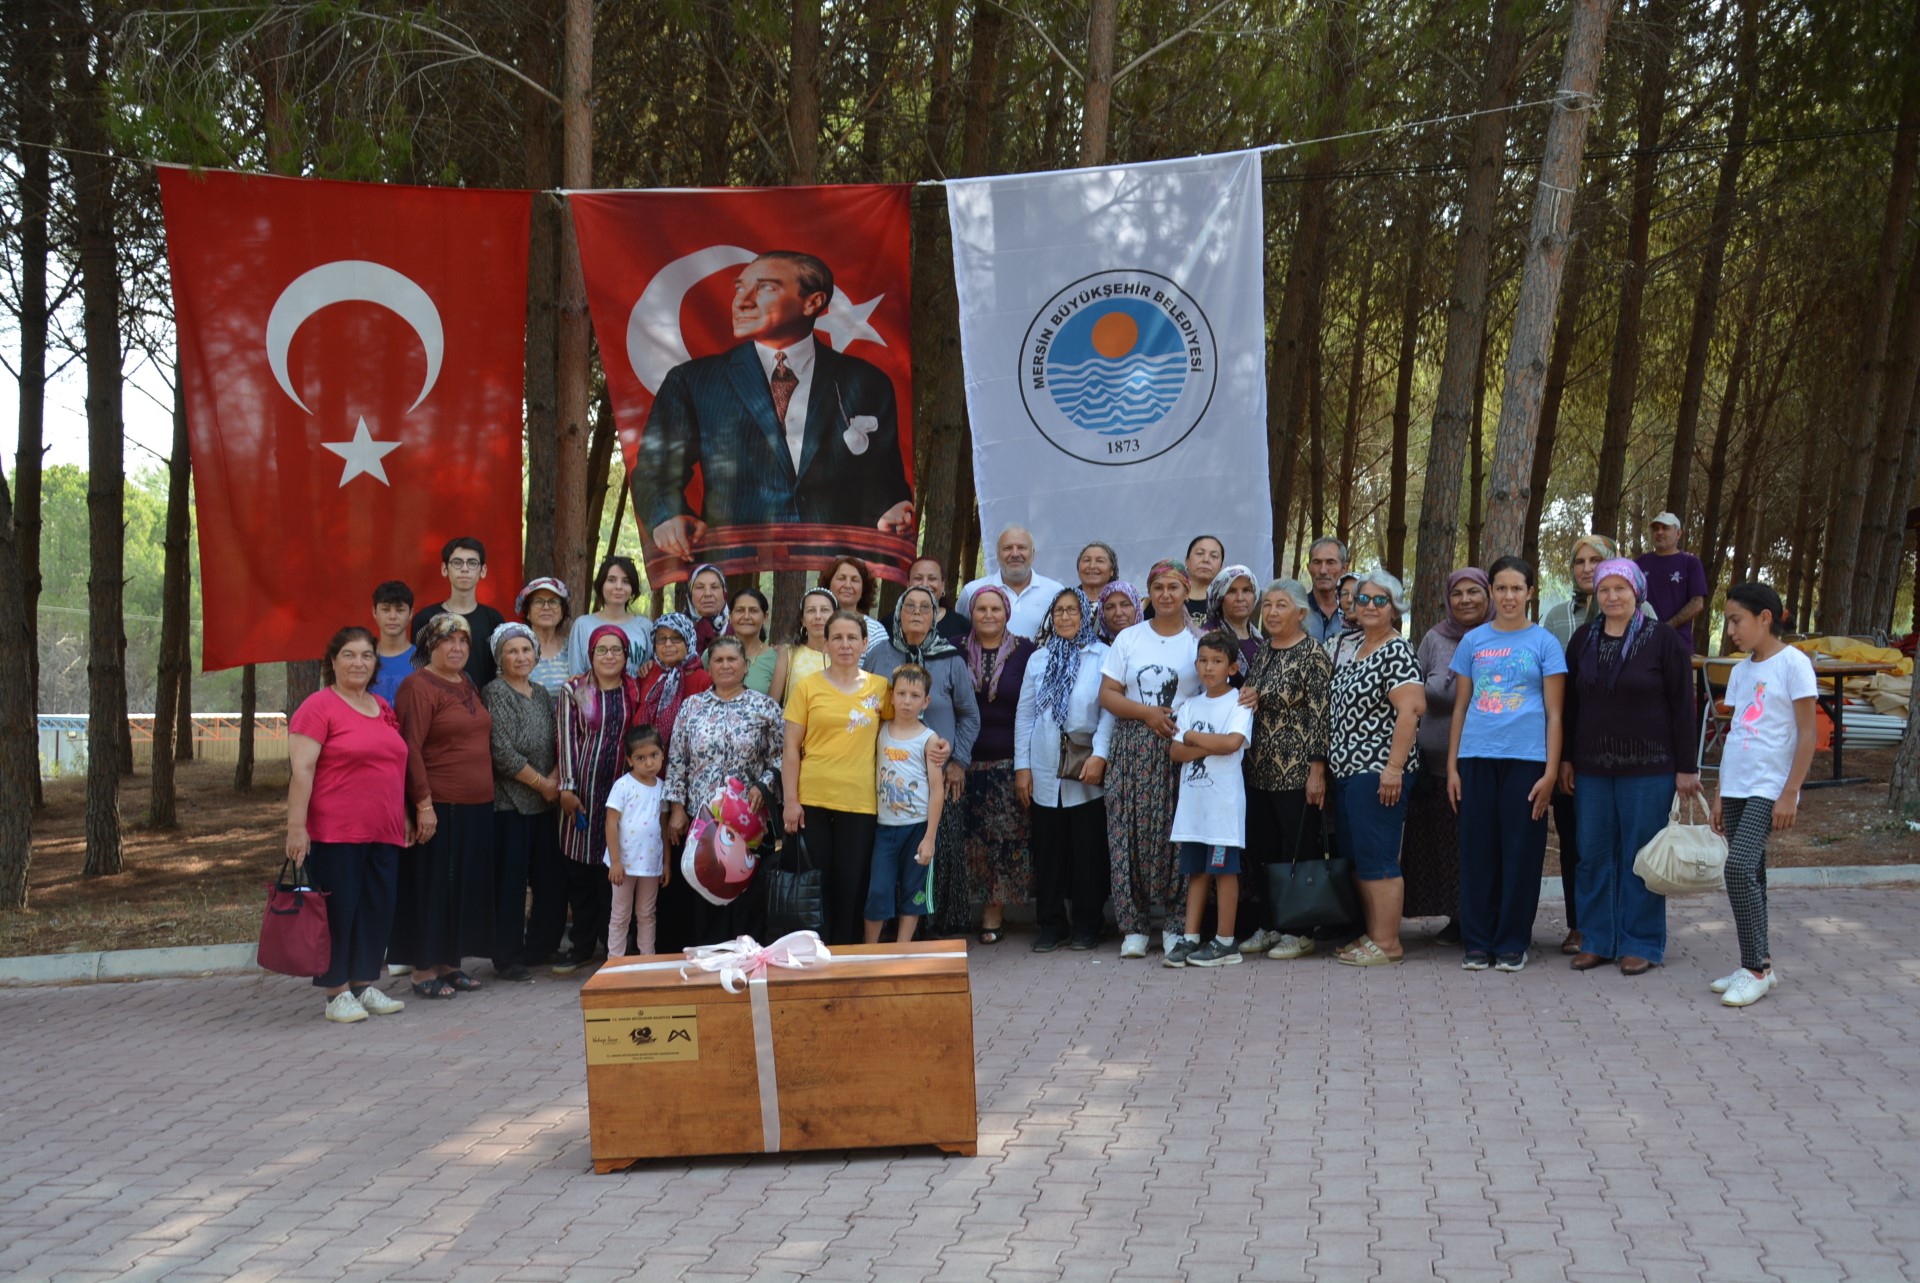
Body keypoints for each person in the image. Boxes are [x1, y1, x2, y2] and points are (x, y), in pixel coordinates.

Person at [636, 250, 914, 561]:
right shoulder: (693, 382)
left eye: (766, 287)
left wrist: (892, 510)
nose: (742, 301)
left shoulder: (867, 382)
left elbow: (886, 487)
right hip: (736, 575)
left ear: (813, 302)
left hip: (832, 575)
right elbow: (654, 473)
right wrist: (666, 517)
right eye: (740, 287)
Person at [1562, 559, 1702, 976]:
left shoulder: (1662, 640)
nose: (1612, 597)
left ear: (1637, 592)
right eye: (1605, 590)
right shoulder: (1583, 639)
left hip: (1650, 769)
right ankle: (1597, 938)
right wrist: (1568, 757)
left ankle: (1640, 941)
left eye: (1621, 588)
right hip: (1592, 769)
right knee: (1592, 855)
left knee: (1640, 856)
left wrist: (1686, 767)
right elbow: (1571, 705)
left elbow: (1683, 706)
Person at [1446, 557, 1565, 973]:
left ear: (1530, 592)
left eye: (1517, 588)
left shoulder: (1545, 643)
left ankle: (1513, 941)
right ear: (1491, 592)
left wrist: (1550, 772)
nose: (1509, 596)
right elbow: (1460, 708)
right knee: (1477, 852)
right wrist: (1452, 768)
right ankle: (1477, 943)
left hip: (1527, 762)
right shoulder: (1473, 642)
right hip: (1476, 759)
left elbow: (1554, 713)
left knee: (1520, 853)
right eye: (1501, 589)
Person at [285, 626, 409, 1023]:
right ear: (333, 661)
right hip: (336, 832)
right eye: (350, 655)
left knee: (377, 908)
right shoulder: (318, 707)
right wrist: (295, 827)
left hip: (384, 830)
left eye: (367, 656)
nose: (359, 663)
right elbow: (302, 770)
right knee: (340, 911)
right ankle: (335, 992)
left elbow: (394, 765)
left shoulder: (380, 707)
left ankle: (363, 982)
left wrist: (404, 813)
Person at [1710, 582, 1817, 1008]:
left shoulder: (1794, 664)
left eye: (1737, 620)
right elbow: (1736, 735)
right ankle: (1760, 966)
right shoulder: (1740, 672)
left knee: (1736, 869)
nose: (1731, 630)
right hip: (1737, 782)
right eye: (1728, 621)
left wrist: (1791, 791)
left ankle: (1753, 968)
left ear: (1765, 618)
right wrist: (1720, 792)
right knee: (1752, 873)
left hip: (1770, 787)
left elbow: (1807, 735)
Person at [1540, 533, 1644, 954]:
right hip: (1571, 742)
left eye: (1595, 559)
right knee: (1577, 840)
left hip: (1629, 749)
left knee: (1623, 839)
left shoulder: (1643, 614)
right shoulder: (1556, 618)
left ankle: (1624, 925)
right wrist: (1561, 755)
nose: (1586, 568)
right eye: (1579, 561)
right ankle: (1580, 924)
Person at [865, 586, 981, 939]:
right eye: (909, 606)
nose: (917, 613)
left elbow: (969, 715)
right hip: (889, 779)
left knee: (931, 857)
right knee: (885, 865)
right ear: (898, 613)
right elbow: (865, 708)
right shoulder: (879, 655)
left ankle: (930, 932)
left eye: (925, 608)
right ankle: (884, 936)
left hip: (938, 777)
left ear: (935, 616)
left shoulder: (951, 658)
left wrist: (958, 760)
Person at [390, 613, 496, 999]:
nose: (456, 648)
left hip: (475, 805)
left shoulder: (466, 682)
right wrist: (423, 804)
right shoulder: (417, 686)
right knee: (433, 887)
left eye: (463, 641)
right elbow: (410, 748)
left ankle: (450, 964)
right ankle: (422, 970)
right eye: (447, 641)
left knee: (461, 888)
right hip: (441, 805)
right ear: (429, 647)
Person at [1099, 560, 1201, 959]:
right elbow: (1108, 694)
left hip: (1180, 748)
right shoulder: (1129, 638)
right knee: (1128, 834)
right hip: (1133, 746)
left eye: (1174, 587)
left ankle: (1176, 924)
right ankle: (1134, 926)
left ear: (1186, 591)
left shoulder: (1198, 641)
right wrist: (1147, 713)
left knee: (1176, 833)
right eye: (1158, 587)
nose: (1165, 595)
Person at [783, 611, 900, 945]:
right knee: (815, 884)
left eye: (852, 638)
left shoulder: (881, 689)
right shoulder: (807, 688)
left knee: (852, 884)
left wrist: (935, 746)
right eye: (837, 638)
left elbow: (902, 729)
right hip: (812, 800)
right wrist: (791, 801)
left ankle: (845, 956)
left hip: (860, 802)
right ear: (826, 642)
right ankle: (811, 953)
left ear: (865, 643)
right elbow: (791, 747)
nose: (845, 645)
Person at [1327, 569, 1423, 966]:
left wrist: (1394, 768)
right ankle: (1372, 935)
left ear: (1394, 607)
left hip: (1378, 770)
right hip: (1348, 772)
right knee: (1359, 855)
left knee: (1379, 856)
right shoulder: (1352, 648)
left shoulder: (1396, 650)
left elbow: (1411, 710)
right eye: (1362, 598)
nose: (1369, 606)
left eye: (1379, 600)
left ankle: (1388, 943)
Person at [664, 635, 786, 944]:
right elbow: (677, 760)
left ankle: (745, 955)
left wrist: (765, 785)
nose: (726, 665)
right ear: (709, 666)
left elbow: (782, 758)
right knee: (704, 892)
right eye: (718, 660)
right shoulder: (692, 707)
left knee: (745, 894)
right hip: (702, 818)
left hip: (748, 819)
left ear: (745, 666)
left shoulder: (765, 708)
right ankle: (708, 956)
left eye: (733, 659)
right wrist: (677, 809)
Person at [1015, 587, 1116, 952]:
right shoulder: (1039, 659)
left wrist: (1100, 755)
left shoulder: (1102, 655)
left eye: (1073, 610)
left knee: (1087, 851)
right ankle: (1051, 924)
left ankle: (1088, 923)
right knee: (1050, 851)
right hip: (1043, 768)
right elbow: (1025, 715)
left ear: (1084, 616)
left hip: (1085, 766)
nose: (1065, 617)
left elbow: (1108, 712)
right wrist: (1022, 767)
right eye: (1059, 611)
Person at [1240, 579, 1332, 961]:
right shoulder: (1263, 652)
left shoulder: (1313, 653)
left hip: (1296, 771)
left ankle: (1300, 929)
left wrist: (1317, 771)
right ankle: (1270, 923)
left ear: (1300, 613)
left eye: (1281, 605)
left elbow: (1320, 715)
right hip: (1258, 770)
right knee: (1263, 849)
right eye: (1268, 606)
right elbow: (1252, 696)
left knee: (1297, 848)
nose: (1272, 613)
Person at [1405, 568, 1490, 946]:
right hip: (1434, 765)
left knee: (1475, 845)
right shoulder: (1434, 639)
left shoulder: (1500, 636)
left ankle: (1476, 917)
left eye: (1474, 592)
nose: (1466, 600)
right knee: (1440, 846)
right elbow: (1411, 688)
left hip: (1484, 762)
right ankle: (1453, 917)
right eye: (1458, 593)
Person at [1162, 630, 1255, 969]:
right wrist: (1202, 743)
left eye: (1217, 661)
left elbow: (1232, 744)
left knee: (1224, 871)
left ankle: (1226, 942)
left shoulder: (1239, 703)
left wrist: (1190, 737)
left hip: (1222, 809)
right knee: (1196, 872)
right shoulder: (1189, 705)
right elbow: (1175, 751)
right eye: (1203, 660)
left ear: (1232, 667)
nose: (1208, 667)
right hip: (1194, 810)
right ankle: (1190, 937)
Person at [554, 624, 644, 974]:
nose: (609, 656)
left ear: (625, 655)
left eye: (616, 650)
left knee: (612, 869)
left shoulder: (632, 689)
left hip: (621, 795)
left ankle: (614, 945)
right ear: (590, 654)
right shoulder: (575, 690)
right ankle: (581, 945)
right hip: (581, 793)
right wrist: (568, 787)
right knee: (580, 871)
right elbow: (565, 740)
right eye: (601, 650)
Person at [481, 623, 561, 982]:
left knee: (549, 879)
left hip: (547, 802)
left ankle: (540, 947)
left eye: (526, 650)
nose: (520, 657)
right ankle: (508, 956)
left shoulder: (543, 693)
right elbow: (501, 750)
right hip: (511, 803)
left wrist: (556, 778)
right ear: (500, 657)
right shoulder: (495, 692)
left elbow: (560, 739)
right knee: (511, 884)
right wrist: (541, 783)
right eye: (512, 651)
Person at [960, 585, 1035, 944]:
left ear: (1007, 613)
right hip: (963, 764)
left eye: (996, 609)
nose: (988, 615)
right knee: (968, 841)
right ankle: (961, 908)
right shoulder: (956, 650)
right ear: (971, 614)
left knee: (1006, 842)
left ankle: (993, 915)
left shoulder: (1026, 652)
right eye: (981, 609)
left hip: (1009, 762)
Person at [866, 666, 946, 945]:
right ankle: (869, 953)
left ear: (926, 702)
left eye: (915, 695)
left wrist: (930, 838)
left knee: (914, 894)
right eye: (901, 693)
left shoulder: (930, 739)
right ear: (891, 696)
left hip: (917, 828)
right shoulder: (879, 731)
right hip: (884, 828)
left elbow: (937, 790)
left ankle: (902, 952)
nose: (907, 701)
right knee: (878, 891)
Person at [605, 725, 669, 957]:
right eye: (641, 758)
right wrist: (615, 861)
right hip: (624, 863)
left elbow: (663, 827)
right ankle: (615, 963)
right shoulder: (623, 786)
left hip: (651, 865)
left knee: (646, 913)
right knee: (621, 914)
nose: (649, 763)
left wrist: (667, 864)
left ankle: (647, 961)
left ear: (662, 753)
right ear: (630, 760)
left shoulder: (662, 789)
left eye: (654, 755)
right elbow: (611, 823)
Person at [413, 538, 507, 689]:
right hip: (438, 705)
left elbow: (501, 670)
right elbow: (418, 669)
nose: (464, 569)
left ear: (482, 571)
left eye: (472, 563)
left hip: (483, 706)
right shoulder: (426, 619)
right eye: (457, 562)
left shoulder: (494, 620)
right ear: (444, 569)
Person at [959, 526, 1067, 640]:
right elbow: (961, 635)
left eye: (1022, 547)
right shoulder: (972, 591)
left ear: (1033, 553)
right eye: (1007, 548)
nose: (1015, 554)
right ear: (997, 553)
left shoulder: (1056, 592)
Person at [634, 614, 712, 753]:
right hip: (645, 762)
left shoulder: (704, 681)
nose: (668, 644)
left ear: (688, 641)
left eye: (676, 638)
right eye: (661, 639)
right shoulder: (648, 673)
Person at [567, 556, 654, 678]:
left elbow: (652, 669)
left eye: (626, 581)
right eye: (611, 580)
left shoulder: (645, 626)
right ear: (601, 584)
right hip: (591, 696)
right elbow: (576, 674)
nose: (619, 586)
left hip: (635, 696)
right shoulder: (582, 625)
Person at [1636, 512, 1709, 651]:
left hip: (1678, 643)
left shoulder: (1690, 563)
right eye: (1656, 528)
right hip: (1642, 643)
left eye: (1665, 528)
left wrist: (1667, 626)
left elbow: (1697, 603)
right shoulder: (1640, 563)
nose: (1659, 532)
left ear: (1678, 533)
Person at [821, 556, 891, 657]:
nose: (848, 585)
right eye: (841, 578)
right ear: (829, 583)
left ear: (864, 588)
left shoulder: (875, 631)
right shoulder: (818, 623)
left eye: (855, 580)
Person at [728, 586, 788, 698]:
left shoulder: (777, 658)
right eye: (740, 610)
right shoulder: (713, 655)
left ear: (765, 617)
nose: (746, 617)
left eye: (753, 611)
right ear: (730, 616)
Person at [516, 577, 573, 694]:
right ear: (528, 613)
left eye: (553, 601)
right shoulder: (516, 650)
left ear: (562, 612)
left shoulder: (571, 650)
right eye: (538, 601)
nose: (546, 607)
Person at [782, 586, 838, 701]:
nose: (818, 616)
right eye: (811, 610)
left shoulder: (843, 654)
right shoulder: (789, 653)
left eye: (824, 610)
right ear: (802, 620)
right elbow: (771, 705)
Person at [1203, 562, 1262, 670]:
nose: (1240, 598)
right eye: (1232, 591)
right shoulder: (1207, 636)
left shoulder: (1258, 640)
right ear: (1220, 598)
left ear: (1255, 595)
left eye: (1246, 590)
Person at [369, 581, 415, 706]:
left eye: (400, 610)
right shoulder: (364, 658)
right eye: (386, 609)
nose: (392, 616)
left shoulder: (423, 660)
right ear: (374, 612)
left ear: (411, 613)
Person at [908, 555, 971, 643]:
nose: (925, 584)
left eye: (932, 579)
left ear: (942, 585)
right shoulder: (890, 623)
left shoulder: (961, 626)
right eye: (918, 578)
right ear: (908, 584)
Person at [1303, 538, 1349, 643]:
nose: (1323, 570)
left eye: (1330, 562)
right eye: (1317, 562)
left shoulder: (1355, 613)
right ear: (1309, 567)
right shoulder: (1295, 611)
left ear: (1344, 569)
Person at [687, 563, 731, 652]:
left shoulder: (737, 626)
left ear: (724, 594)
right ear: (690, 595)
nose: (707, 594)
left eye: (714, 587)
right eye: (700, 587)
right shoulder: (678, 630)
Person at [1074, 541, 1121, 610]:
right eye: (1087, 560)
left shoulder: (1125, 602)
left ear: (1112, 570)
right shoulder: (1063, 602)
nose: (1092, 566)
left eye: (1100, 561)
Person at [1097, 579, 1141, 644]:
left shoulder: (1152, 643)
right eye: (1110, 607)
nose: (1118, 613)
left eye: (1125, 605)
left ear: (1137, 609)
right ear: (1102, 614)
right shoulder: (1093, 651)